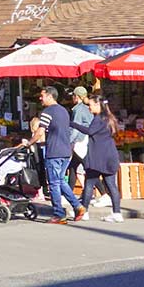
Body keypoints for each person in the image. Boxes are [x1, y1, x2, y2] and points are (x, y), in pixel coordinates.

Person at [34, 86, 84, 224]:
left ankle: (59, 214)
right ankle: (77, 206)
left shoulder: (47, 112)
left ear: (50, 96)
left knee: (54, 183)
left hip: (54, 152)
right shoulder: (64, 111)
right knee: (61, 180)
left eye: (42, 95)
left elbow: (40, 131)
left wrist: (29, 142)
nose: (40, 98)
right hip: (66, 151)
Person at [74, 94, 125, 223]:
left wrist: (73, 124)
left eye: (90, 105)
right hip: (110, 155)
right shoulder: (109, 118)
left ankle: (84, 211)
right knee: (111, 185)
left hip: (98, 157)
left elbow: (90, 131)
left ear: (98, 105)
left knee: (89, 184)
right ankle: (117, 213)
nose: (89, 108)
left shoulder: (99, 118)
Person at [69, 86, 94, 193]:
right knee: (73, 167)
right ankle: (68, 193)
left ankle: (103, 194)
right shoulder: (87, 108)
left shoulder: (78, 109)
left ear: (77, 97)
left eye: (73, 95)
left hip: (80, 142)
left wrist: (69, 141)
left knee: (88, 168)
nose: (72, 98)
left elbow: (76, 128)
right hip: (86, 140)